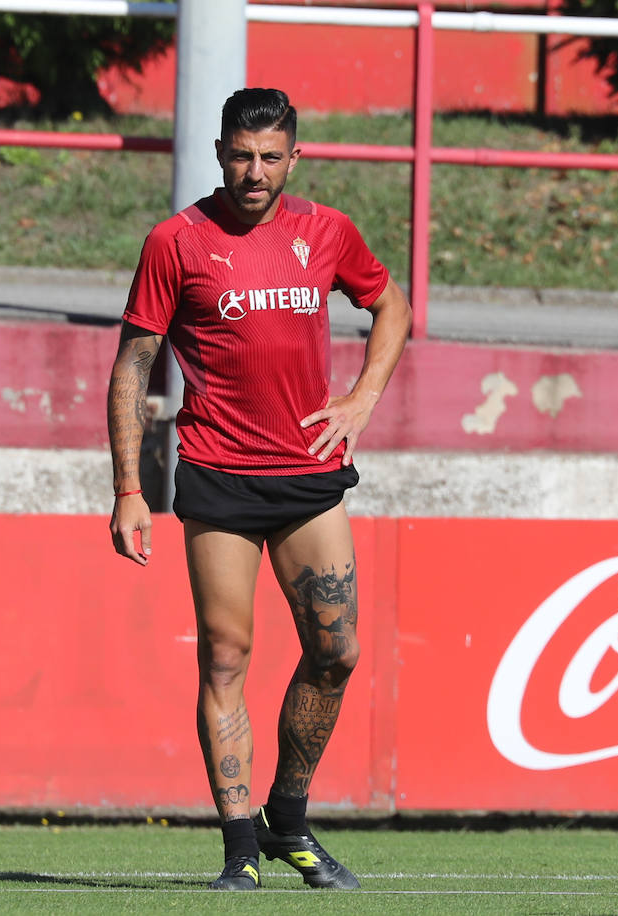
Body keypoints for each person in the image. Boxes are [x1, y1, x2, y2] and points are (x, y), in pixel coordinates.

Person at [107, 87, 411, 892]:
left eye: (271, 156)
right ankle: (240, 846)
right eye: (241, 155)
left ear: (294, 159)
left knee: (336, 652)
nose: (255, 171)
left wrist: (362, 397)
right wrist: (128, 488)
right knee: (226, 659)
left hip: (309, 476)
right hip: (216, 475)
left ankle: (289, 817)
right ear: (219, 155)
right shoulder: (176, 241)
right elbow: (133, 365)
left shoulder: (327, 231)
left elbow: (393, 306)